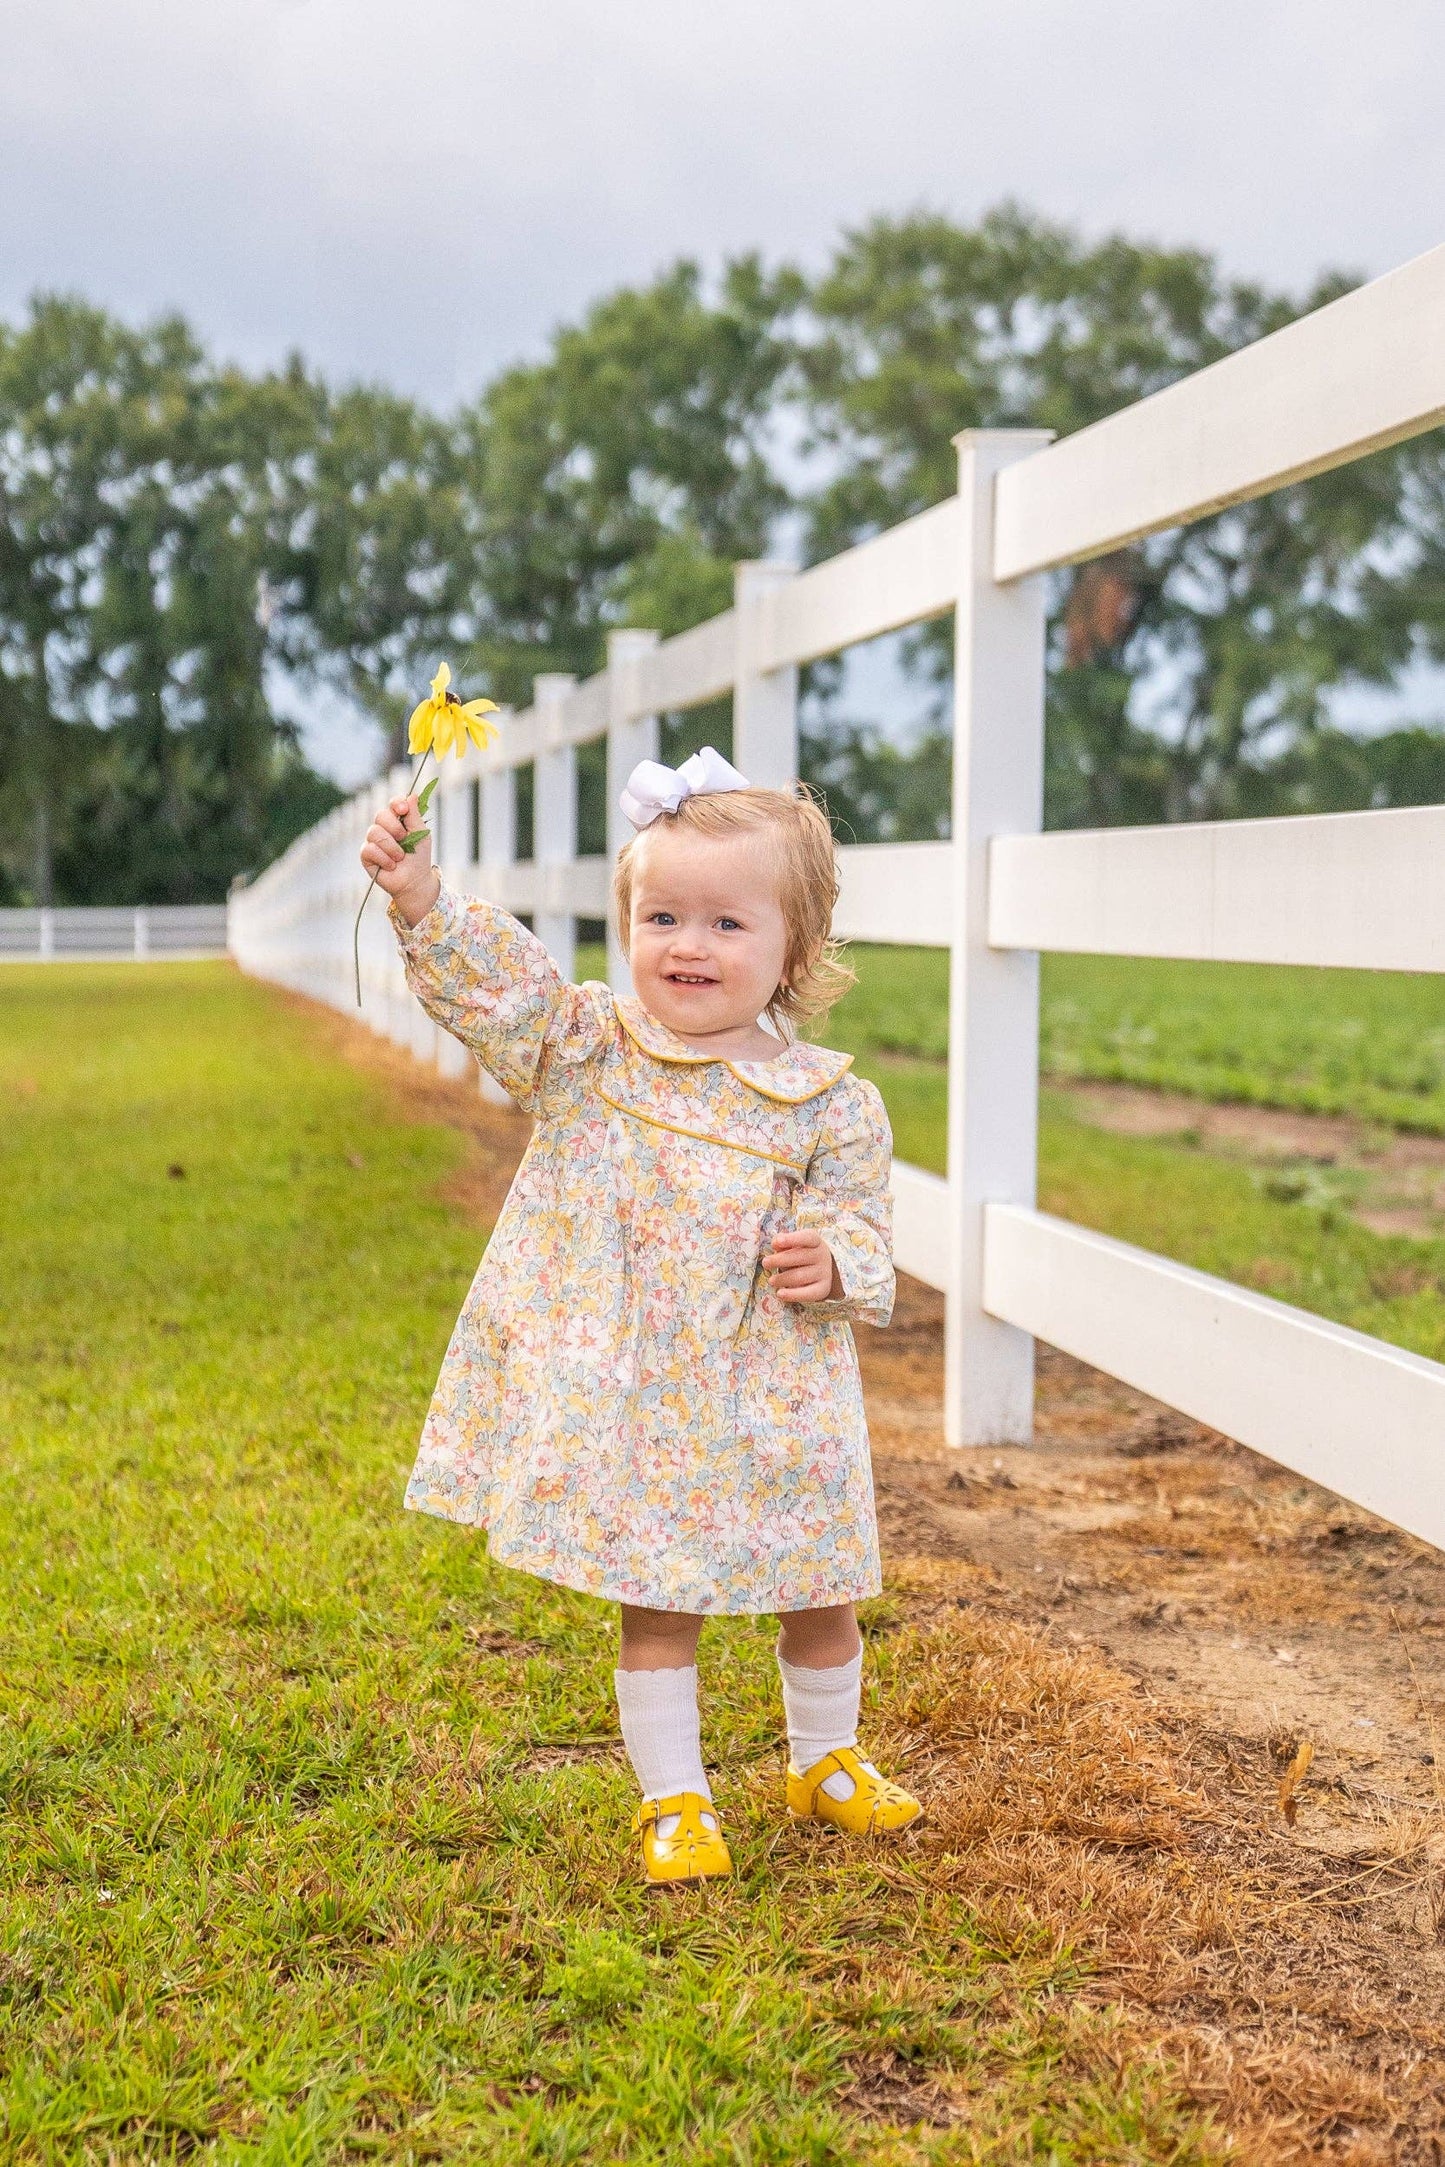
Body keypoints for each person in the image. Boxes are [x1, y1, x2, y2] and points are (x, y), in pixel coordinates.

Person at [360, 745, 922, 1886]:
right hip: (641, 1394)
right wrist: (421, 897)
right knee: (659, 1596)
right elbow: (503, 991)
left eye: (725, 924)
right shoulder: (589, 1052)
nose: (686, 946)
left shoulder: (829, 1101)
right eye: (661, 915)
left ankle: (824, 1759)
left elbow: (864, 1221)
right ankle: (673, 1796)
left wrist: (836, 1261)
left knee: (819, 1582)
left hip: (777, 1391)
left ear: (792, 950)